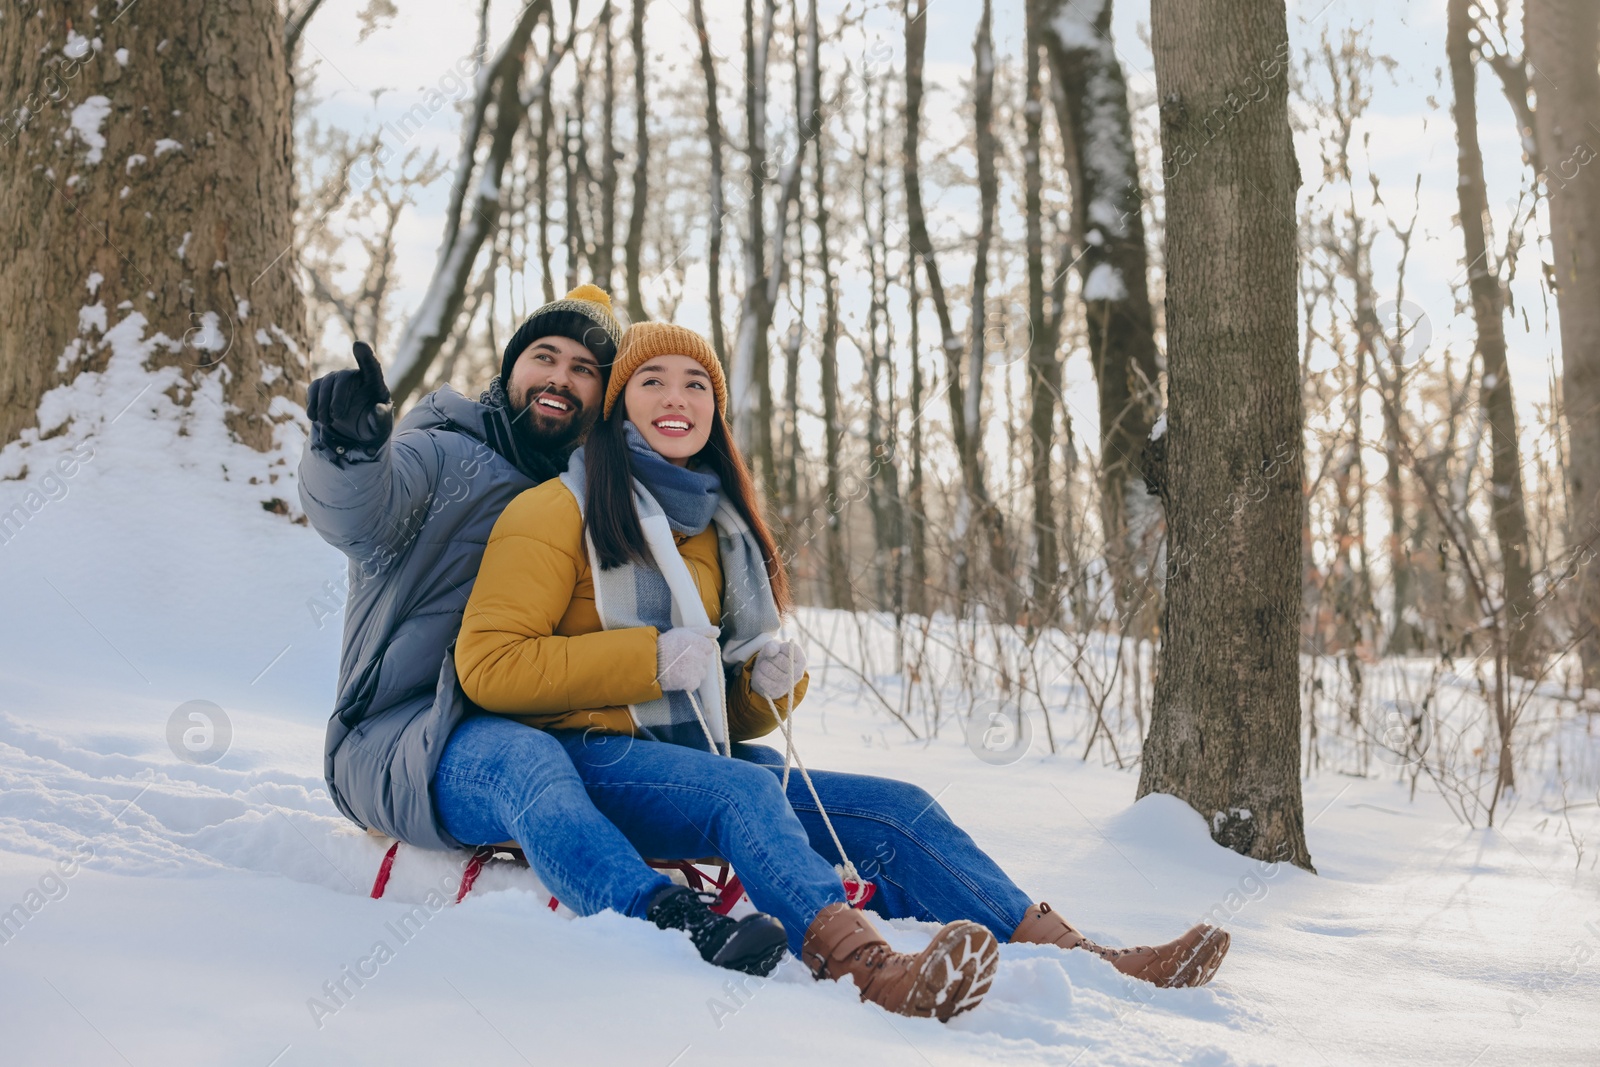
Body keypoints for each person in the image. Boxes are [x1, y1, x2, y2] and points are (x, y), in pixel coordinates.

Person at [452, 323, 1229, 1021]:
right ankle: (865, 964)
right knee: (745, 790)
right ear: (621, 408)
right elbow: (488, 667)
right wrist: (641, 659)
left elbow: (721, 708)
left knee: (897, 808)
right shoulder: (554, 511)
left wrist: (767, 685)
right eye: (651, 382)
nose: (675, 398)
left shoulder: (717, 529)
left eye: (696, 384)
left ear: (716, 413)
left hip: (689, 756)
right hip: (582, 755)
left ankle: (1084, 954)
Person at [299, 287, 790, 977]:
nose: (561, 377)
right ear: (510, 371)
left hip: (540, 723)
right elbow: (358, 515)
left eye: (586, 369)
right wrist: (347, 451)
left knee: (746, 773)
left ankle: (866, 895)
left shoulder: (600, 493)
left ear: (605, 397)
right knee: (521, 762)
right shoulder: (442, 453)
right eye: (544, 356)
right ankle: (659, 913)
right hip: (402, 735)